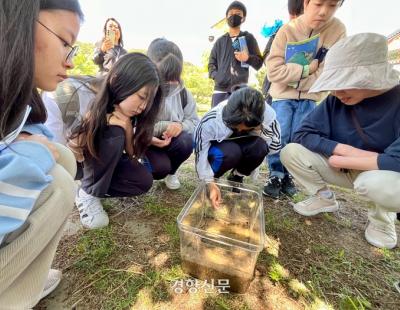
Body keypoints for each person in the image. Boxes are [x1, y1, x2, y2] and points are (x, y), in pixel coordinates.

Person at [281, 33, 400, 249]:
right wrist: (339, 149)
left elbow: (397, 162)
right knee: (290, 151)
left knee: (373, 182)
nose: (337, 92)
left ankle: (382, 220)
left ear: (370, 76)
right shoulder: (336, 100)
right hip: (345, 166)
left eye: (345, 83)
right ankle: (324, 197)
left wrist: (348, 160)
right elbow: (302, 133)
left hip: (381, 176)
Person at [0, 0, 83, 307]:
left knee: (60, 157)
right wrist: (27, 152)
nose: (70, 62)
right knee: (56, 185)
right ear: (19, 22)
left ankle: (23, 280)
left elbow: (41, 134)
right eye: (65, 43)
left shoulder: (18, 92)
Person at [263, 0, 346, 199]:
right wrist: (307, 70)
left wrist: (293, 77)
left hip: (310, 98)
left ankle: (289, 176)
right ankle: (275, 174)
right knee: (279, 136)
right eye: (318, 4)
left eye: (333, 5)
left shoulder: (338, 31)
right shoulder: (286, 30)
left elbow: (329, 72)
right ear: (306, 2)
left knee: (299, 140)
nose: (324, 11)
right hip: (282, 97)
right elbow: (273, 71)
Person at [70, 53, 163, 229]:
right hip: (79, 162)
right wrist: (99, 121)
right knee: (113, 133)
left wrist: (127, 127)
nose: (143, 107)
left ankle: (96, 188)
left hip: (104, 162)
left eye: (148, 101)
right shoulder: (87, 95)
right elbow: (72, 148)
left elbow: (132, 153)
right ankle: (87, 193)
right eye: (142, 97)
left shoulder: (130, 112)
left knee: (143, 181)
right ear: (118, 80)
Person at [194, 87, 281, 206]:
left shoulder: (268, 117)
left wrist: (260, 130)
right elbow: (200, 151)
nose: (239, 130)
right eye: (235, 126)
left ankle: (236, 176)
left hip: (246, 143)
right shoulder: (211, 121)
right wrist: (209, 182)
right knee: (231, 152)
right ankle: (214, 179)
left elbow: (274, 147)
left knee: (260, 147)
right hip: (221, 148)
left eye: (245, 128)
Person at [146, 38, 199, 189]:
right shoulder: (143, 91)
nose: (171, 84)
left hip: (172, 140)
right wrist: (161, 127)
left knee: (186, 142)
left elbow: (194, 121)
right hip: (146, 139)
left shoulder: (184, 94)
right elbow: (133, 126)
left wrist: (180, 126)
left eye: (174, 78)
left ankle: (172, 172)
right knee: (159, 169)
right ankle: (145, 164)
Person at [208, 1, 263, 107]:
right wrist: (217, 76)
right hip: (220, 91)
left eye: (238, 14)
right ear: (226, 17)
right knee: (217, 121)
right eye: (231, 13)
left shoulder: (248, 38)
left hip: (240, 91)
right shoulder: (220, 41)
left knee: (238, 122)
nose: (234, 16)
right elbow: (211, 63)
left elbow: (259, 63)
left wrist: (248, 58)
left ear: (243, 18)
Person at [261, 0, 304, 103]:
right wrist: (274, 63)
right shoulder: (280, 32)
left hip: (300, 94)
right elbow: (266, 54)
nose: (294, 18)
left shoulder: (312, 36)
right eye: (292, 14)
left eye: (299, 14)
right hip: (274, 92)